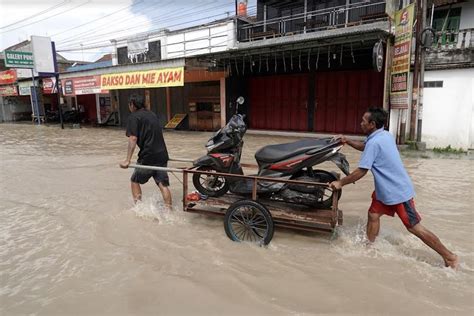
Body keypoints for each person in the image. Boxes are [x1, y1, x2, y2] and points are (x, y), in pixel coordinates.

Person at [329, 108, 458, 269]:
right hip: (385, 191)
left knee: (414, 227)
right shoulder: (384, 135)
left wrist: (340, 183)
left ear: (372, 124)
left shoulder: (375, 142)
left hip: (398, 192)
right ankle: (369, 247)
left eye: (364, 121)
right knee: (373, 215)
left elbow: (361, 171)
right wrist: (347, 141)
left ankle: (450, 257)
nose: (361, 123)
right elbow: (365, 146)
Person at [119, 94, 172, 207]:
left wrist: (127, 160)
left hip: (148, 156)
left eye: (129, 105)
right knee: (162, 184)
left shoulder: (134, 117)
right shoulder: (152, 114)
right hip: (162, 154)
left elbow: (133, 138)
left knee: (134, 181)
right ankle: (169, 211)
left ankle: (139, 208)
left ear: (132, 105)